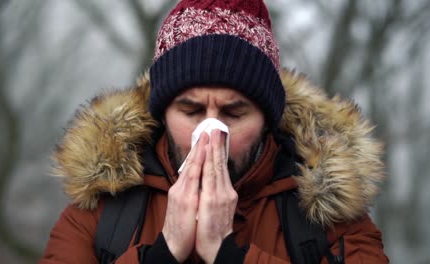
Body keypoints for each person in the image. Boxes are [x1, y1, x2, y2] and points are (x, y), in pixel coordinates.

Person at [40, 0, 389, 263]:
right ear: (162, 114)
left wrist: (229, 256)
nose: (209, 133)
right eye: (190, 111)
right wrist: (163, 253)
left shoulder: (329, 216)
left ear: (267, 120)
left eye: (233, 113)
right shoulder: (102, 209)